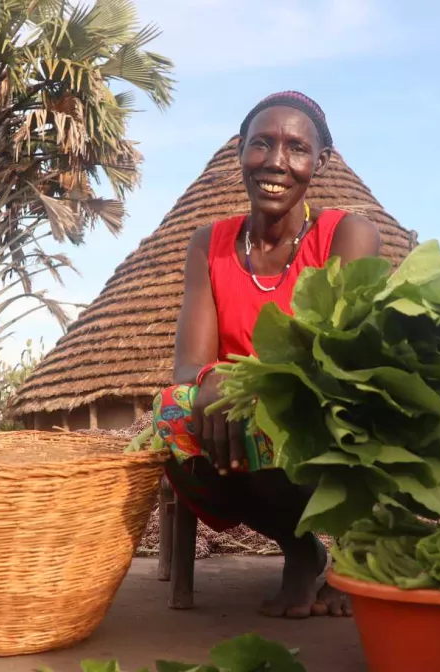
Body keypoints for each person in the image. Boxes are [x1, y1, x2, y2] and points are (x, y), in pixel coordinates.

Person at [153, 91, 381, 619]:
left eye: (296, 148)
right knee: (172, 411)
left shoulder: (348, 235)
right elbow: (189, 365)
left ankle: (359, 557)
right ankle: (301, 547)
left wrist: (249, 388)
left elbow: (337, 357)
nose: (276, 162)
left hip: (325, 413)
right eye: (262, 144)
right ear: (240, 153)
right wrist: (211, 382)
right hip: (232, 419)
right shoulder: (208, 243)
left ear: (319, 163)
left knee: (268, 415)